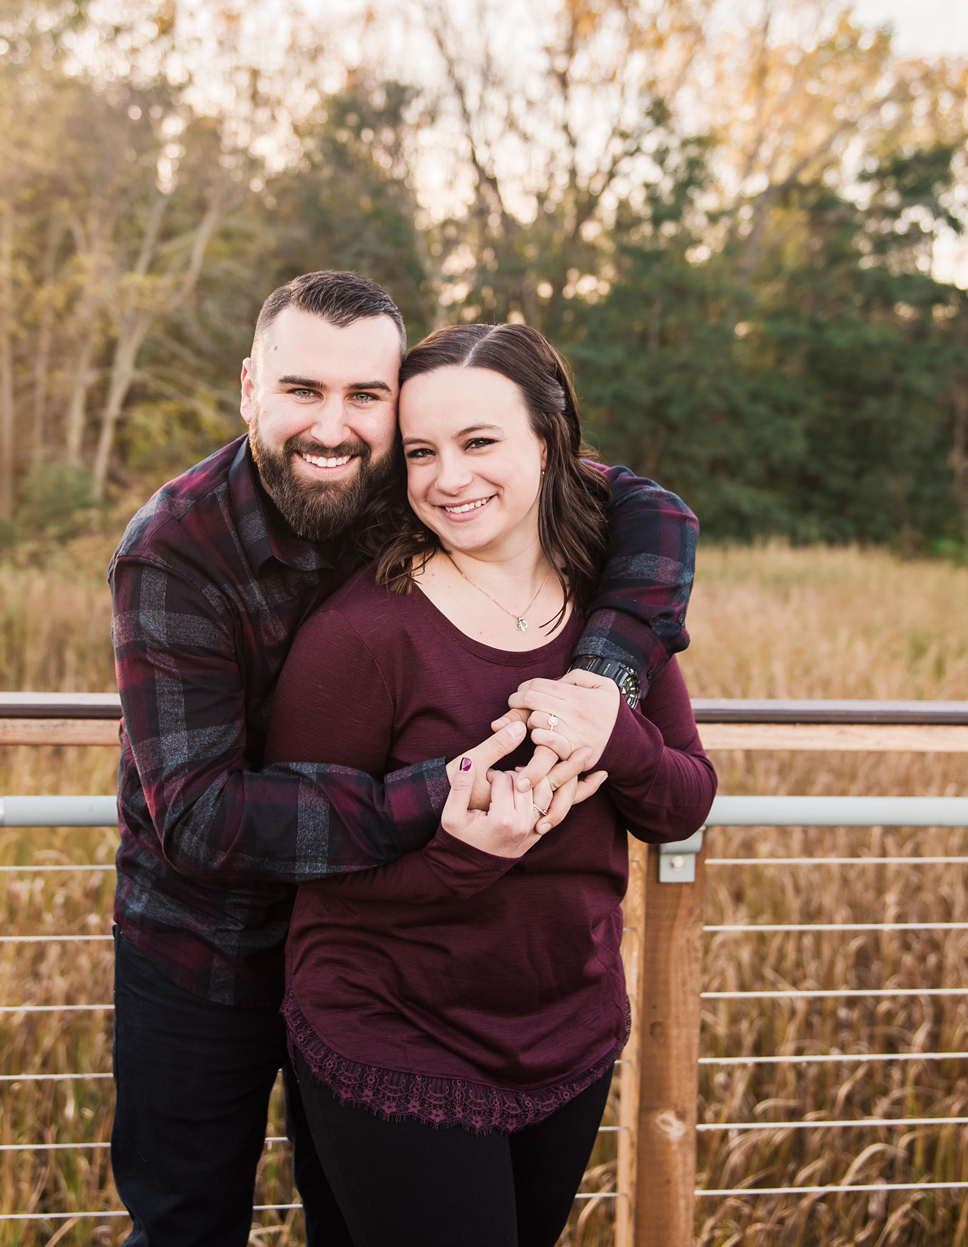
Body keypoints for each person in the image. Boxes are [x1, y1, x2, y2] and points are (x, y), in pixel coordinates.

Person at [107, 272, 699, 1247]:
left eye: (364, 395)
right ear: (251, 387)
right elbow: (203, 818)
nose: (332, 424)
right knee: (186, 1222)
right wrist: (451, 787)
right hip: (205, 939)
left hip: (373, 952)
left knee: (353, 1219)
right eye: (302, 389)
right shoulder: (174, 549)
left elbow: (653, 513)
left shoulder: (421, 479)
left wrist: (601, 682)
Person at [261, 321, 717, 1247]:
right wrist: (461, 859)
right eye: (422, 451)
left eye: (479, 442)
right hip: (395, 1031)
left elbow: (682, 800)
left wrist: (612, 733)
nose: (448, 478)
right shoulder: (363, 634)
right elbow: (305, 871)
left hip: (570, 1036)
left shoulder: (612, 613)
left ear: (549, 443)